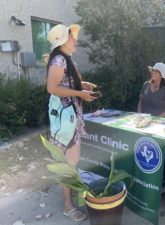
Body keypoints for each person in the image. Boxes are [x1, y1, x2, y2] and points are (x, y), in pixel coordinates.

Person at [46, 24, 98, 222]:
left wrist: (81, 85)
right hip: (66, 121)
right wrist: (80, 93)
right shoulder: (59, 59)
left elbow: (64, 83)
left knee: (70, 162)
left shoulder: (65, 59)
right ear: (62, 40)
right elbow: (52, 87)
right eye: (72, 37)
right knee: (69, 163)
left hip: (69, 119)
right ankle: (68, 205)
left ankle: (69, 198)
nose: (75, 40)